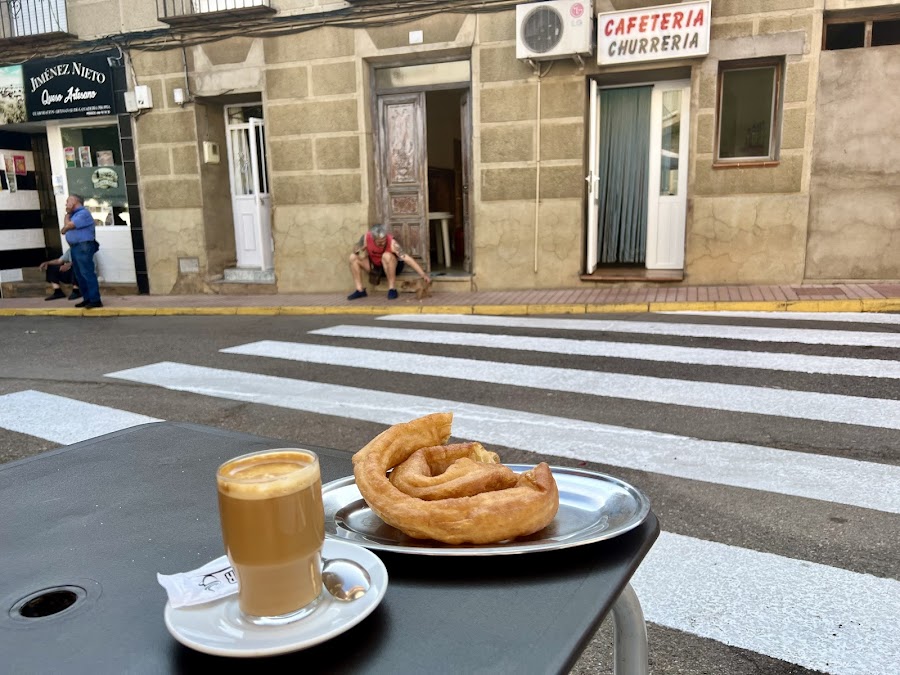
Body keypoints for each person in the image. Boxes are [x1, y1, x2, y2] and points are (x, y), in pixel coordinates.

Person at [347, 223, 431, 300]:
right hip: (376, 266)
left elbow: (407, 259)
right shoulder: (366, 238)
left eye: (384, 240)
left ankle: (392, 289)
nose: (382, 243)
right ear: (373, 238)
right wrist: (359, 249)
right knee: (352, 257)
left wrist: (423, 274)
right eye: (380, 242)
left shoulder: (392, 243)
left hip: (393, 266)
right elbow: (355, 249)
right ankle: (360, 290)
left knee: (386, 256)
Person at [60, 194, 102, 309]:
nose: (66, 204)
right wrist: (68, 216)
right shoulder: (73, 215)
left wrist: (66, 225)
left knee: (87, 273)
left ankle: (95, 299)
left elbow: (68, 226)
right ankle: (87, 298)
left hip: (83, 246)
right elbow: (64, 230)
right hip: (75, 247)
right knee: (79, 274)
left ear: (75, 201)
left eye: (68, 201)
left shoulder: (83, 214)